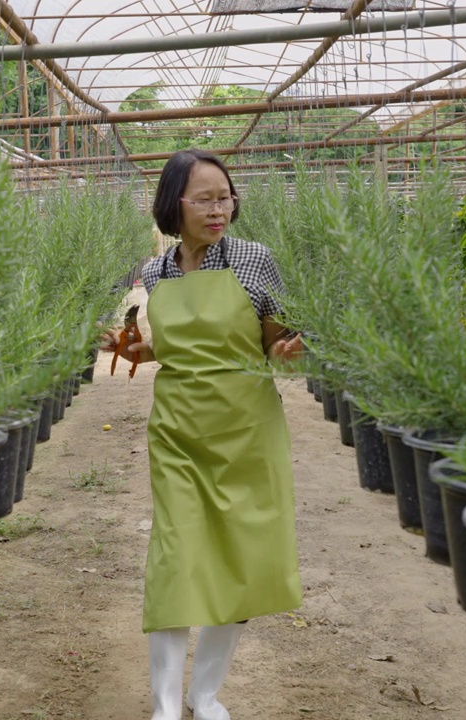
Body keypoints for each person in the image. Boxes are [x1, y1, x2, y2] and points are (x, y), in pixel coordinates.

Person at [102, 149, 304, 720]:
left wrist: (288, 348)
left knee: (240, 558)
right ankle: (166, 705)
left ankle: (205, 695)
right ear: (175, 204)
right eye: (206, 199)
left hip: (247, 430)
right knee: (175, 557)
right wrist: (141, 349)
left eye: (226, 197)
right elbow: (172, 342)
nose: (220, 209)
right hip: (179, 429)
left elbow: (273, 339)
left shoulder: (253, 261)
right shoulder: (160, 270)